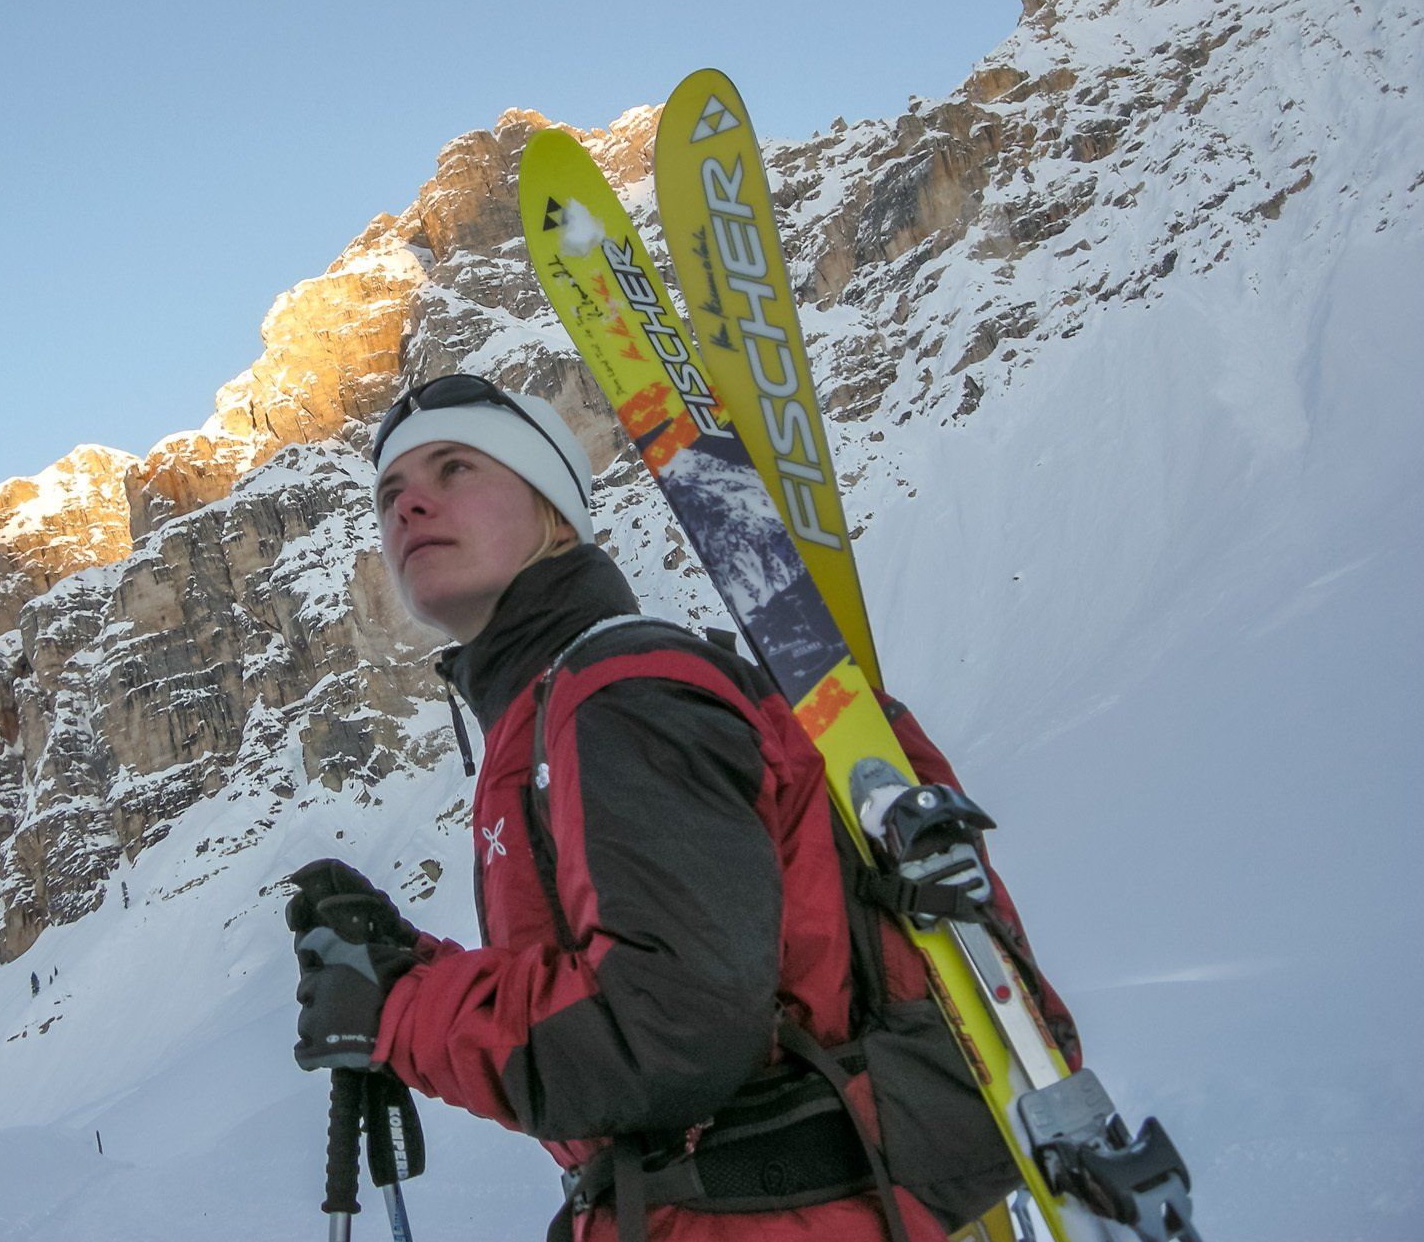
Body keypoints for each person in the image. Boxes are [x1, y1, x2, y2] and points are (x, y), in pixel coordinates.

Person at [287, 374, 1076, 1242]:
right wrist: (404, 968)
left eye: (454, 469)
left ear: (555, 512)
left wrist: (401, 1005)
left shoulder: (618, 694)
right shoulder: (556, 713)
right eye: (391, 494)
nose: (410, 508)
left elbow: (668, 1031)